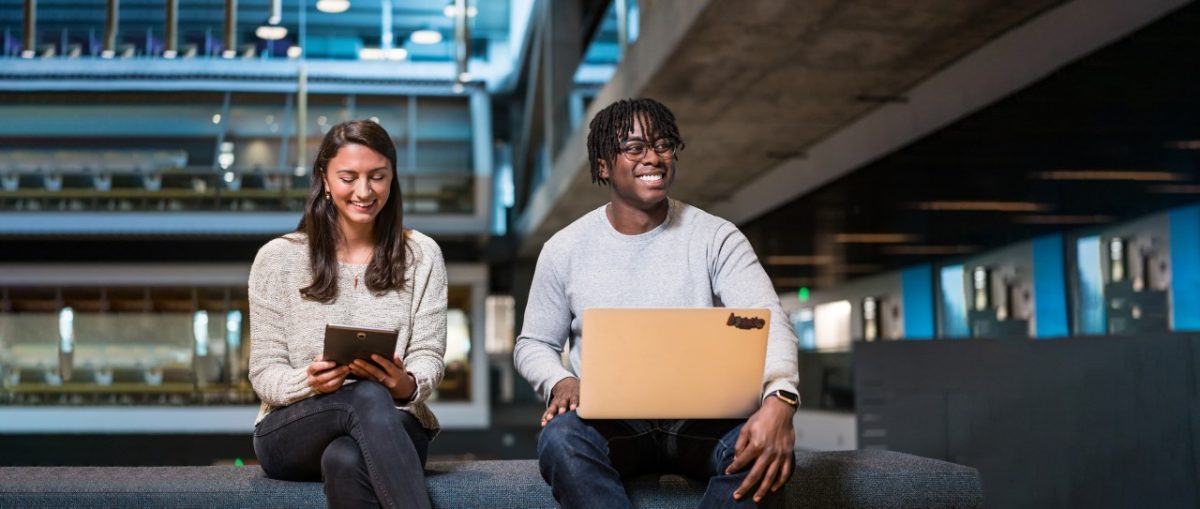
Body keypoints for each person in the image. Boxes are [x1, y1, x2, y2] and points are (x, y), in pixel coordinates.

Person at [513, 98, 801, 508]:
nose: (654, 157)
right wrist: (561, 380)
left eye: (663, 145)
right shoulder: (564, 249)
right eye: (634, 148)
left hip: (705, 421)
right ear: (602, 166)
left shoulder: (716, 237)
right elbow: (533, 343)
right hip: (612, 424)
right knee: (560, 439)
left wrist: (780, 400)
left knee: (764, 454)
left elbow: (770, 321)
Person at [248, 120, 448, 509]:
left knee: (346, 457)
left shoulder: (422, 255)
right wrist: (308, 381)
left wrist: (405, 384)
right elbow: (264, 372)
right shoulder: (278, 259)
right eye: (348, 177)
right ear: (324, 178)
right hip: (294, 427)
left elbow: (428, 355)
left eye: (377, 177)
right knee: (365, 396)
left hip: (393, 421)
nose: (364, 191)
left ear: (392, 179)